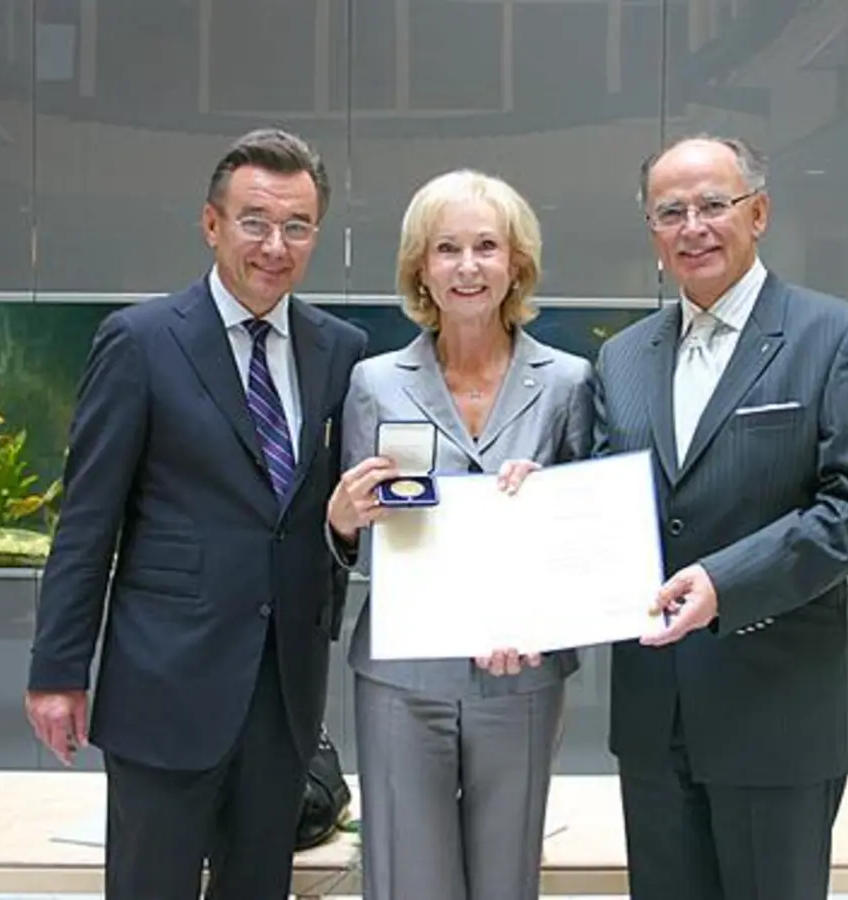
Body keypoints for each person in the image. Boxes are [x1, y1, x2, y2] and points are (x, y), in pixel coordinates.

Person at [24, 128, 368, 900]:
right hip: (164, 686)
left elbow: (336, 516)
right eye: (254, 221)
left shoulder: (341, 350)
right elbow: (87, 521)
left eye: (297, 226)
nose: (275, 245)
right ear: (211, 225)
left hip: (284, 694)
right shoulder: (141, 342)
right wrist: (57, 672)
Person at [593, 135, 848, 900]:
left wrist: (723, 583)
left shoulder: (835, 336)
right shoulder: (622, 358)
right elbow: (604, 504)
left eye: (713, 205)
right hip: (654, 721)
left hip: (777, 715)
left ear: (758, 213)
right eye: (671, 211)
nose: (693, 226)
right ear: (653, 235)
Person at [325, 168, 594, 900]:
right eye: (447, 248)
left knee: (508, 881)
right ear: (420, 266)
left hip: (524, 672)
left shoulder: (570, 383)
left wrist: (549, 527)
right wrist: (342, 520)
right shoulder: (373, 383)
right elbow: (360, 537)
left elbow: (586, 542)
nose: (468, 267)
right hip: (402, 674)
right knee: (407, 879)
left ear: (517, 264)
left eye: (486, 246)